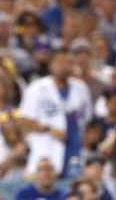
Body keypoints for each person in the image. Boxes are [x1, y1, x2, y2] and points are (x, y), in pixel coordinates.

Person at [19, 48, 93, 176]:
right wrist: (49, 129)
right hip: (46, 150)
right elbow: (23, 121)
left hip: (75, 150)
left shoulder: (81, 87)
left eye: (68, 62)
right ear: (51, 65)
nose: (64, 66)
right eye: (60, 62)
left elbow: (88, 119)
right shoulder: (37, 88)